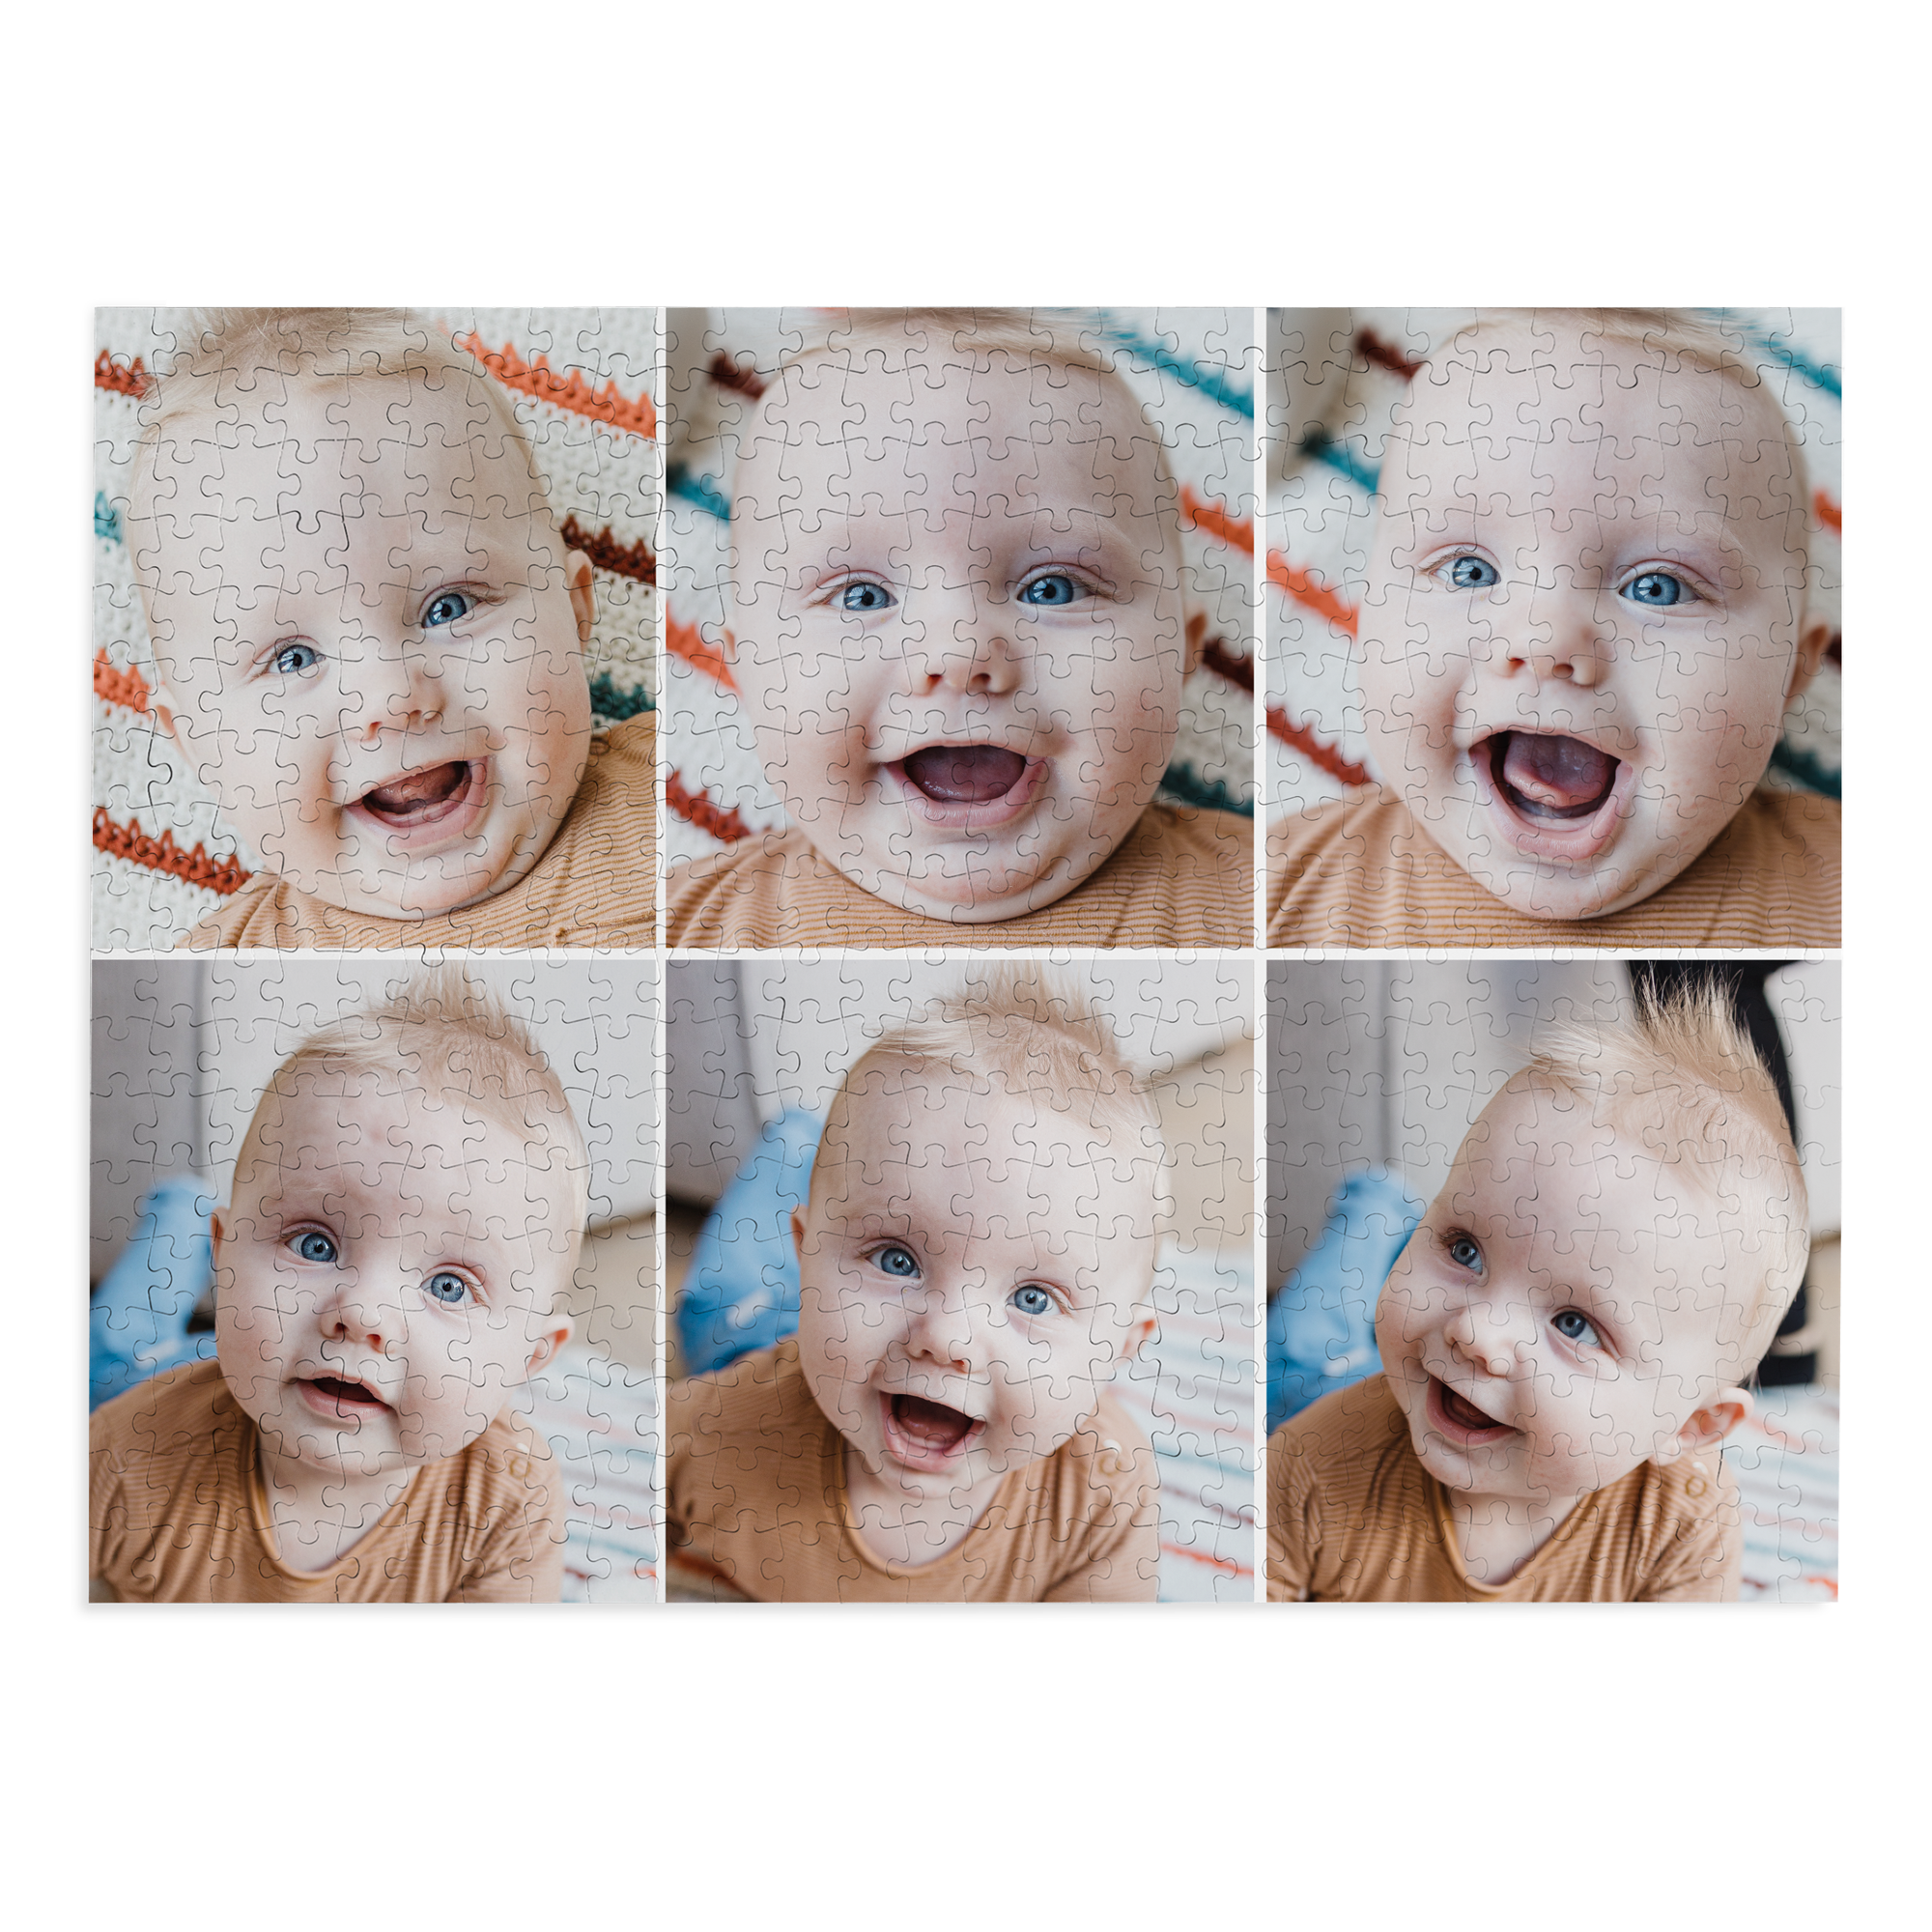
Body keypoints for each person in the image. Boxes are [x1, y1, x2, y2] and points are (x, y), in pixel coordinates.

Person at [667, 308, 1253, 945]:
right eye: (862, 597)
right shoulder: (689, 925)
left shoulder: (1271, 893)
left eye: (1052, 589)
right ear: (745, 667)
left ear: (1183, 651)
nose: (960, 650)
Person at [1267, 308, 1837, 945]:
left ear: (1793, 670)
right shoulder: (1282, 883)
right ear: (1369, 616)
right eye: (1468, 572)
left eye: (1659, 587)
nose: (1544, 641)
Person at [125, 306, 655, 949]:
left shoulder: (667, 784)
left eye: (449, 607)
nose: (391, 698)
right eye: (294, 658)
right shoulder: (227, 961)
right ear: (196, 746)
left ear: (574, 613)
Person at [1266, 983, 1809, 1601]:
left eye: (1574, 1324)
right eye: (1463, 1246)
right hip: (1316, 1387)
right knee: (1300, 1347)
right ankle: (1374, 1213)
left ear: (1689, 1425)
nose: (1476, 1332)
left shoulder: (1681, 1521)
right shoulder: (1307, 1467)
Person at [668, 974, 1164, 1601]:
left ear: (1118, 1348)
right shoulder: (711, 1428)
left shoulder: (1104, 1488)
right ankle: (793, 1139)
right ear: (805, 1252)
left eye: (1032, 1298)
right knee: (717, 1300)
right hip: (751, 1324)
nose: (947, 1337)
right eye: (896, 1260)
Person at [88, 973, 579, 1602]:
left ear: (530, 1357)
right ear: (226, 1254)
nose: (363, 1313)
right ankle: (178, 1211)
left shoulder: (509, 1496)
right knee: (114, 1344)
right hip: (147, 1375)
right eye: (313, 1244)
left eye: (450, 1287)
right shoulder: (128, 1452)